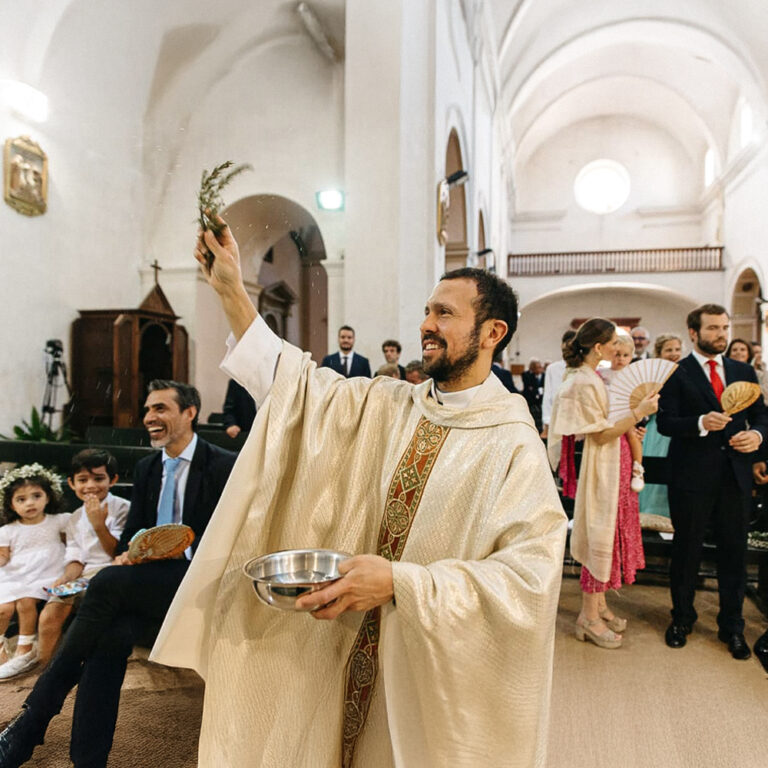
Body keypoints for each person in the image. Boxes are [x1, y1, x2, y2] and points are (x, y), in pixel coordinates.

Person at [149, 219, 566, 768]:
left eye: (445, 313)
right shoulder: (389, 404)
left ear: (493, 333)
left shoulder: (513, 444)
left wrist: (402, 583)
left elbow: (529, 578)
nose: (427, 324)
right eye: (427, 310)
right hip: (343, 642)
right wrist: (230, 289)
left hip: (424, 671)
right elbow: (294, 387)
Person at [0, 380, 237, 768]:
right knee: (111, 632)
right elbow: (129, 540)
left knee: (107, 584)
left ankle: (31, 721)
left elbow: (230, 538)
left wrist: (178, 549)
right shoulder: (147, 468)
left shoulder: (223, 464)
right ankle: (86, 762)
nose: (149, 418)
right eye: (147, 410)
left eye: (160, 408)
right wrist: (129, 553)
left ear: (189, 413)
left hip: (196, 578)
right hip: (143, 582)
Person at [657, 304, 768, 659]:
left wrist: (758, 439)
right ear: (694, 332)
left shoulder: (742, 370)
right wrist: (701, 422)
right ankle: (682, 619)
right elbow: (666, 423)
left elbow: (762, 417)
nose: (722, 334)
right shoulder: (675, 372)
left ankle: (732, 627)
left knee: (734, 555)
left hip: (736, 477)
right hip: (691, 477)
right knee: (686, 552)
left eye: (725, 327)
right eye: (713, 328)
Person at [548, 318, 659, 650]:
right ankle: (588, 617)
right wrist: (638, 412)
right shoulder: (582, 381)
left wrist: (631, 425)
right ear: (599, 347)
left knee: (609, 534)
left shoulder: (593, 376)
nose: (618, 347)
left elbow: (612, 422)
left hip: (617, 460)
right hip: (603, 462)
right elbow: (600, 433)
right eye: (613, 342)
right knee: (599, 533)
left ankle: (598, 606)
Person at [37, 449, 130, 665]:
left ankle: (82, 663)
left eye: (98, 479)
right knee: (50, 613)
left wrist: (98, 523)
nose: (90, 486)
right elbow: (76, 558)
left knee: (90, 609)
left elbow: (117, 551)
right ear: (71, 483)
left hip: (114, 571)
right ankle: (45, 667)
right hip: (85, 574)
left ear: (113, 479)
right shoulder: (75, 518)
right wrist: (65, 579)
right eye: (82, 480)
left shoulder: (124, 509)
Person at [0, 464, 69, 680]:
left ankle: (25, 646)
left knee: (26, 601)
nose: (30, 502)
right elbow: (3, 555)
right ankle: (1, 645)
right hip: (16, 572)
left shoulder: (58, 521)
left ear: (48, 497)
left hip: (46, 572)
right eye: (21, 499)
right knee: (3, 609)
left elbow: (73, 542)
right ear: (11, 505)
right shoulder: (8, 530)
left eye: (36, 496)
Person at [637, 334, 683, 531]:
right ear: (659, 353)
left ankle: (671, 517)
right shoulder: (652, 376)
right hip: (656, 428)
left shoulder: (686, 373)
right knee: (655, 468)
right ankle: (650, 512)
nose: (674, 354)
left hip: (679, 428)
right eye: (669, 350)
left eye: (677, 350)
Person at [599, 334, 646, 493]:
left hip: (626, 412)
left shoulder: (633, 375)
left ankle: (638, 468)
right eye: (617, 354)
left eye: (625, 355)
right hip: (607, 413)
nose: (620, 358)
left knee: (632, 435)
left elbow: (641, 396)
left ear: (631, 356)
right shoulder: (602, 373)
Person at [541, 329, 577, 441]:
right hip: (555, 419)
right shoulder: (552, 368)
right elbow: (547, 397)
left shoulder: (582, 368)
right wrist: (547, 423)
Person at [522, 358, 545, 431]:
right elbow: (530, 388)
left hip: (540, 402)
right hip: (532, 402)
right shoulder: (528, 375)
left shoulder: (544, 376)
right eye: (537, 367)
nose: (540, 369)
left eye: (540, 367)